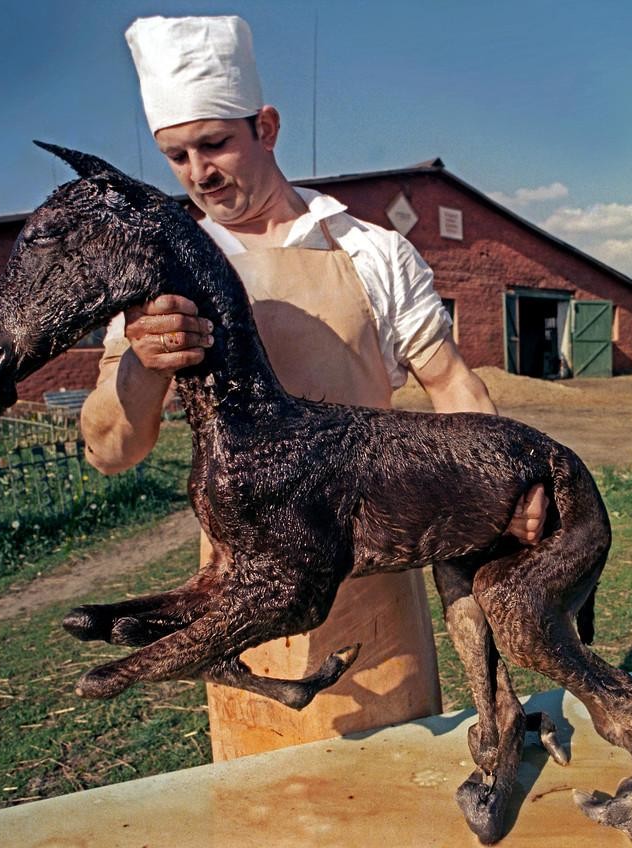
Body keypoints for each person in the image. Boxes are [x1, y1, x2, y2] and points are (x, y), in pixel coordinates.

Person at [79, 15, 546, 761]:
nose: (198, 172)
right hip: (237, 593)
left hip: (376, 576)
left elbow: (451, 382)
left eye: (215, 144)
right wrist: (140, 358)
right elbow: (110, 448)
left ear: (265, 126)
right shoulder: (159, 276)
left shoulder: (370, 251)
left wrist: (506, 486)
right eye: (176, 155)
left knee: (395, 795)